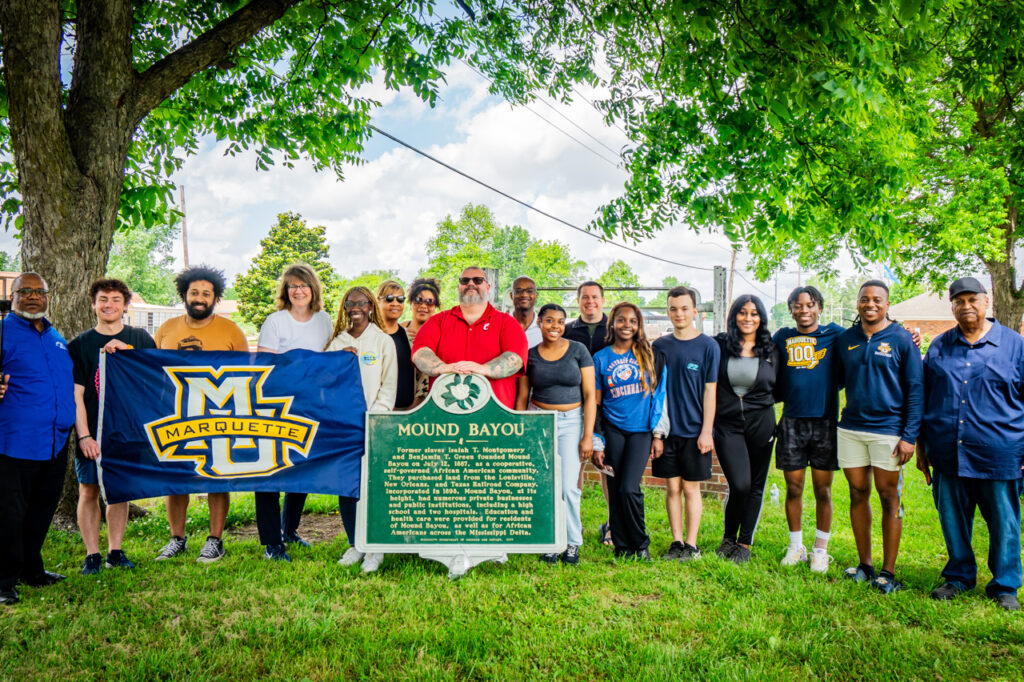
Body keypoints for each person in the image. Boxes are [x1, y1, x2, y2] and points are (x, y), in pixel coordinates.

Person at [917, 277, 1023, 611]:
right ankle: (959, 577)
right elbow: (926, 398)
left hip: (1000, 452)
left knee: (1004, 522)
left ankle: (1005, 585)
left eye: (972, 299)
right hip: (948, 452)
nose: (966, 306)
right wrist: (922, 449)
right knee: (953, 520)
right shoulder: (939, 346)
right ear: (951, 306)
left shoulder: (1015, 346)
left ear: (987, 300)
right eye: (959, 301)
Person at [152, 265, 249, 564]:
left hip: (219, 414)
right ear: (184, 294)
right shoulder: (166, 329)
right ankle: (176, 538)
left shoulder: (231, 331)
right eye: (194, 292)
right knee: (176, 477)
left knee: (216, 477)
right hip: (176, 414)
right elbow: (151, 369)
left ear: (215, 298)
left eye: (206, 293)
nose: (199, 298)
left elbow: (248, 375)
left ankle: (215, 540)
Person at [834, 280, 923, 593]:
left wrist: (909, 436)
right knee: (858, 493)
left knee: (889, 498)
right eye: (864, 299)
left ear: (887, 304)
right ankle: (865, 564)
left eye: (877, 300)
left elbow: (915, 389)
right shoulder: (846, 339)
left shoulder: (902, 339)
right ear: (858, 303)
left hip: (889, 431)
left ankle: (888, 572)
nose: (870, 304)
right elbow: (838, 380)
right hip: (851, 429)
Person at [68, 279, 155, 576]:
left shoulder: (140, 338)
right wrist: (84, 435)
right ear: (93, 304)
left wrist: (127, 350)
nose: (109, 305)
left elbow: (157, 377)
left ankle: (114, 551)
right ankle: (92, 554)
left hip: (126, 432)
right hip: (93, 431)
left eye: (116, 300)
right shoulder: (79, 345)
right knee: (89, 490)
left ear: (125, 305)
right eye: (103, 299)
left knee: (119, 491)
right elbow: (76, 395)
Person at [0, 273, 75, 606]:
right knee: (8, 514)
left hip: (55, 441)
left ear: (48, 297)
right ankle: (3, 581)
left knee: (41, 510)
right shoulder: (3, 331)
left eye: (39, 292)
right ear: (12, 296)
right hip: (13, 442)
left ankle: (32, 570)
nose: (32, 297)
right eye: (24, 291)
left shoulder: (56, 336)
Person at [254, 263, 334, 560]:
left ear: (313, 289)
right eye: (292, 286)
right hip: (276, 404)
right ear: (286, 291)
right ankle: (271, 542)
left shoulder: (324, 319)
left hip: (312, 404)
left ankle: (290, 529)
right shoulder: (275, 321)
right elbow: (266, 365)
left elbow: (330, 357)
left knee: (302, 468)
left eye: (303, 285)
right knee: (270, 472)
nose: (298, 291)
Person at [516, 303, 596, 565]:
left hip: (572, 422)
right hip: (540, 421)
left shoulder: (578, 350)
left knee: (568, 487)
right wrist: (522, 429)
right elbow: (523, 396)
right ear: (539, 323)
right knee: (546, 485)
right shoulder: (531, 355)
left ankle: (572, 542)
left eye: (560, 321)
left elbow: (589, 395)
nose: (555, 326)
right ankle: (552, 541)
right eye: (549, 321)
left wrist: (587, 435)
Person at [772, 286, 845, 573]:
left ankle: (820, 549)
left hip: (825, 422)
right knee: (794, 487)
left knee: (822, 489)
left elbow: (868, 335)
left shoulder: (835, 335)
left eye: (810, 305)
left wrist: (910, 334)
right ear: (790, 309)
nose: (804, 310)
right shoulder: (782, 337)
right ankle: (796, 546)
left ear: (820, 308)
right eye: (798, 305)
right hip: (791, 422)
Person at [328, 286, 397, 573]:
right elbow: (325, 382)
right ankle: (355, 543)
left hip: (372, 424)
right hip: (343, 426)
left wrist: (375, 417)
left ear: (370, 307)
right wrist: (336, 361)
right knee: (347, 487)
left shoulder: (382, 341)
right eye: (350, 304)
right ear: (344, 308)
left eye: (361, 303)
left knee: (372, 487)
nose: (355, 308)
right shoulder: (335, 342)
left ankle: (375, 548)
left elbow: (388, 384)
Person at [591, 302, 666, 561]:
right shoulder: (600, 358)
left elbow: (660, 397)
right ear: (612, 323)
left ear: (639, 325)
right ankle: (622, 545)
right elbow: (597, 403)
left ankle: (640, 543)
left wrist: (658, 434)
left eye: (632, 321)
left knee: (629, 488)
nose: (627, 325)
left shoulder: (649, 355)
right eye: (621, 320)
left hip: (640, 431)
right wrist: (597, 441)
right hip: (612, 430)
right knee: (615, 487)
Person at [711, 295, 781, 564]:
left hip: (761, 422)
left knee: (756, 485)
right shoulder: (719, 345)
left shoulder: (772, 350)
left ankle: (743, 543)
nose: (748, 318)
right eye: (742, 313)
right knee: (739, 484)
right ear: (734, 316)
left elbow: (781, 387)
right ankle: (728, 536)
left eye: (754, 313)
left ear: (761, 318)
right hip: (727, 424)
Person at [651, 286, 718, 562]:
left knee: (691, 488)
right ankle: (676, 541)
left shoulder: (708, 346)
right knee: (672, 488)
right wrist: (656, 434)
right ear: (668, 311)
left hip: (694, 432)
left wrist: (706, 431)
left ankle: (692, 545)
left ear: (695, 311)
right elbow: (654, 391)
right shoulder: (660, 346)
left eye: (684, 308)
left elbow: (710, 391)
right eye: (673, 308)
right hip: (667, 432)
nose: (679, 313)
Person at [412, 266, 528, 410]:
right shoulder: (438, 321)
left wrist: (484, 369)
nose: (471, 284)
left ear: (488, 286)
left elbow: (515, 359)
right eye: (465, 280)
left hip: (495, 419)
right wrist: (443, 368)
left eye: (478, 280)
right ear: (459, 286)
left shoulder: (507, 323)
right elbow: (420, 353)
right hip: (444, 417)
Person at [563, 281, 613, 546]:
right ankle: (574, 525)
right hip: (575, 404)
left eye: (594, 297)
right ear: (578, 300)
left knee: (607, 466)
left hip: (610, 406)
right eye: (584, 297)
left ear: (603, 300)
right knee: (575, 466)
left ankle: (611, 524)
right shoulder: (568, 330)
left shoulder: (614, 328)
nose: (589, 301)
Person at [377, 280, 419, 410]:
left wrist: (413, 407)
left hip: (407, 414)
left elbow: (421, 378)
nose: (395, 303)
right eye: (389, 299)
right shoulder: (369, 336)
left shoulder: (410, 338)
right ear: (378, 301)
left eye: (400, 299)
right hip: (377, 412)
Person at [403, 278, 441, 404]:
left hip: (431, 397)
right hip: (401, 395)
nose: (423, 306)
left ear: (435, 306)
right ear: (411, 304)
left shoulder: (441, 332)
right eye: (418, 300)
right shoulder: (401, 329)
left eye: (429, 302)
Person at [510, 276, 542, 348]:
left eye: (529, 291)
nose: (524, 295)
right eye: (518, 291)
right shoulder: (501, 324)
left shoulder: (544, 327)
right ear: (511, 296)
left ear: (536, 295)